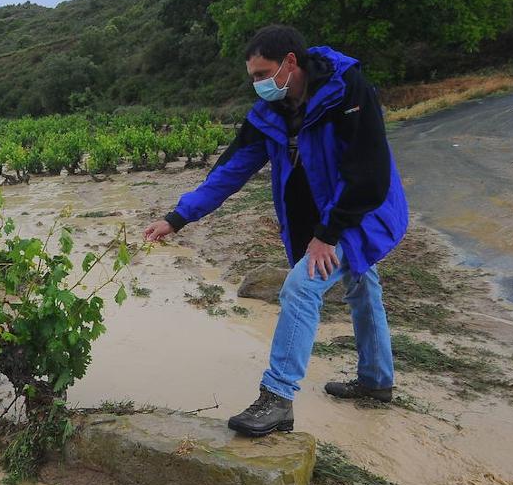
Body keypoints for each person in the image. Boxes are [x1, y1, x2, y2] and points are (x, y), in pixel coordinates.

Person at [143, 25, 408, 437]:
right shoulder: (269, 114)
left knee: (301, 287)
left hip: (361, 212)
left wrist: (327, 235)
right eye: (252, 77)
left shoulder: (348, 92)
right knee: (361, 283)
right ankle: (376, 382)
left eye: (262, 74)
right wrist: (177, 218)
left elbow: (369, 175)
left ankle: (278, 399)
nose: (258, 85)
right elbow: (228, 172)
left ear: (290, 62)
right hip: (323, 219)